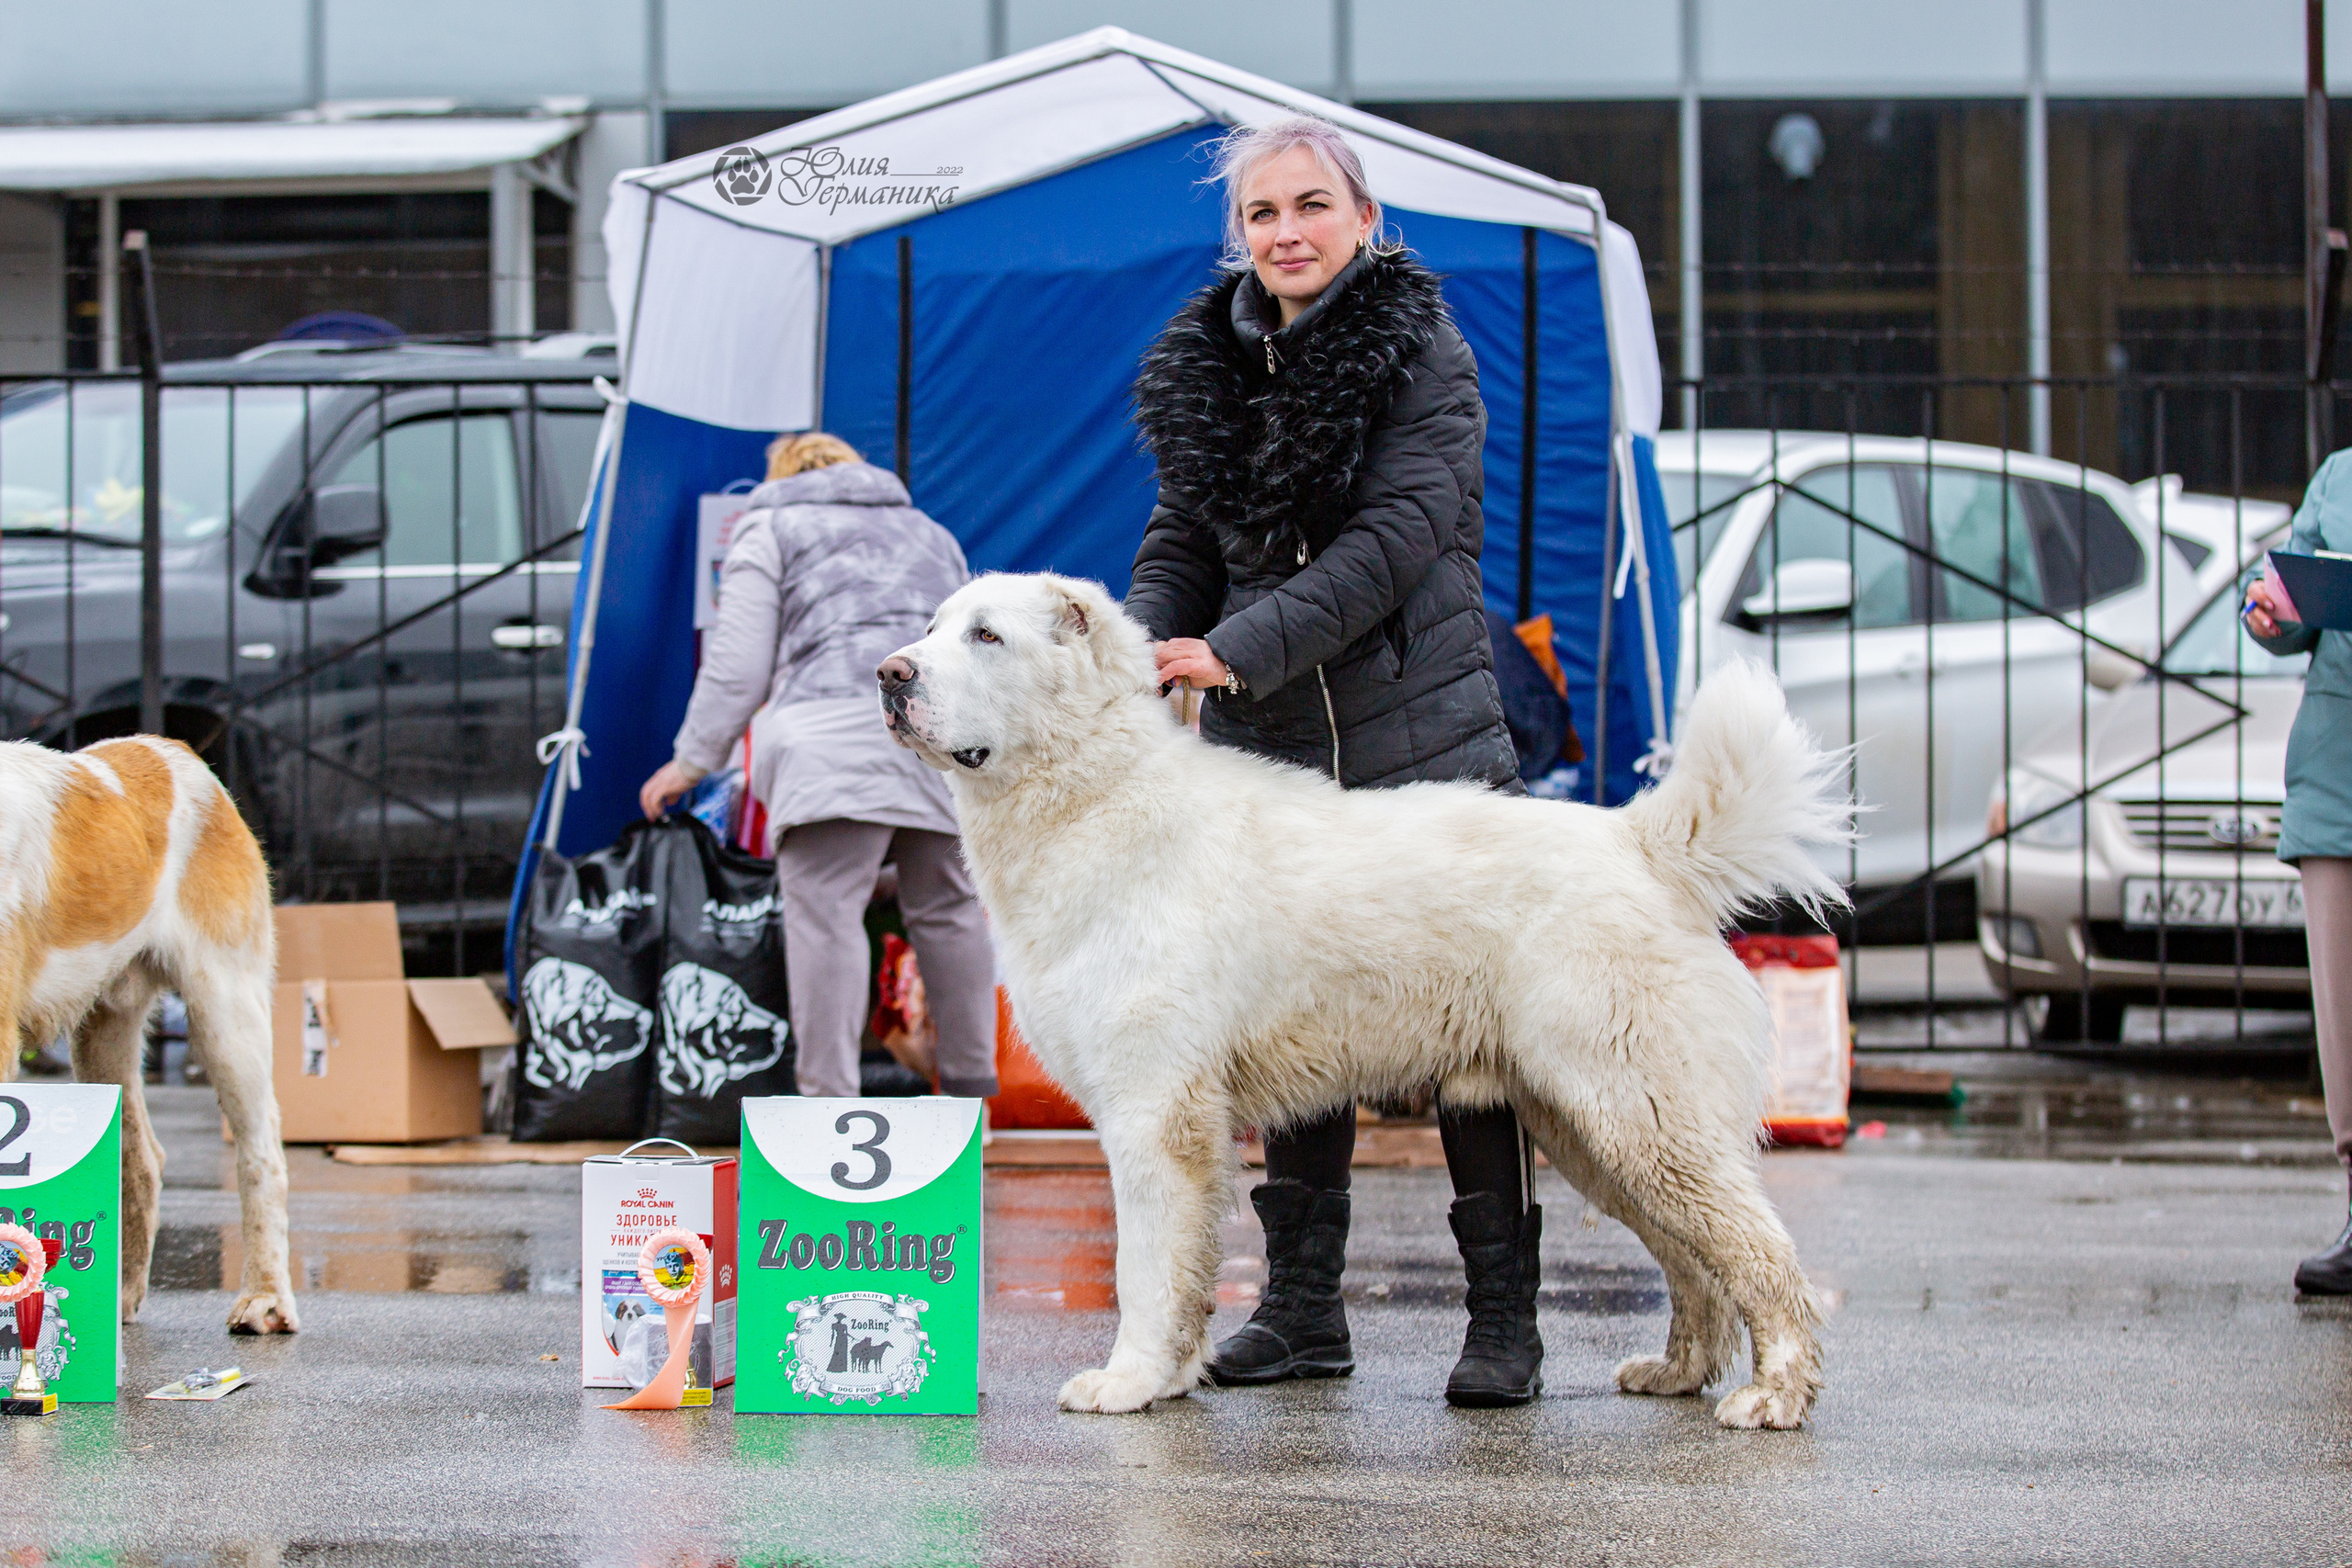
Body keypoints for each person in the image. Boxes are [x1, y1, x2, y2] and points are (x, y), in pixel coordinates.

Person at [1123, 115, 1540, 1406]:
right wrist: (1140, 650)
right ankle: (1302, 1311)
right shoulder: (1210, 362)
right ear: (1236, 234)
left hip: (1428, 736)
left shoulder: (1425, 351)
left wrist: (1231, 649)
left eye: (1311, 205)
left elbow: (1396, 541)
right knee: (1289, 1020)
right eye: (1262, 213)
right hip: (1269, 748)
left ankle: (1504, 1325)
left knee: (1475, 1036)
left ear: (1364, 219)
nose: (1287, 231)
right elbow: (1181, 536)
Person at [639, 434, 1000, 1103]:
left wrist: (691, 761)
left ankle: (828, 1105)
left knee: (827, 915)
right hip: (933, 743)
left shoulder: (769, 526)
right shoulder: (931, 533)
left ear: (781, 476)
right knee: (950, 910)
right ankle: (972, 1100)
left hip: (825, 742)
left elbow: (738, 664)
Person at [2245, 451, 2352, 1295]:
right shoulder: (2340, 476)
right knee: (2343, 1021)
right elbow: (2285, 589)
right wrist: (2270, 608)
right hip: (2336, 784)